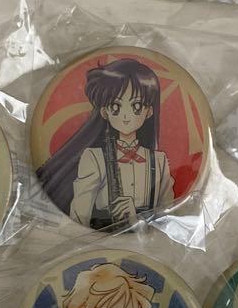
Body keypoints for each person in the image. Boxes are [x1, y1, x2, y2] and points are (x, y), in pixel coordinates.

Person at [36, 58, 174, 230]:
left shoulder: (159, 161)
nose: (126, 116)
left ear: (149, 111)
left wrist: (136, 221)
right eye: (116, 106)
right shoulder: (95, 157)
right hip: (100, 236)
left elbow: (169, 216)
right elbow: (79, 215)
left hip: (147, 239)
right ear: (105, 112)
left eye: (136, 105)